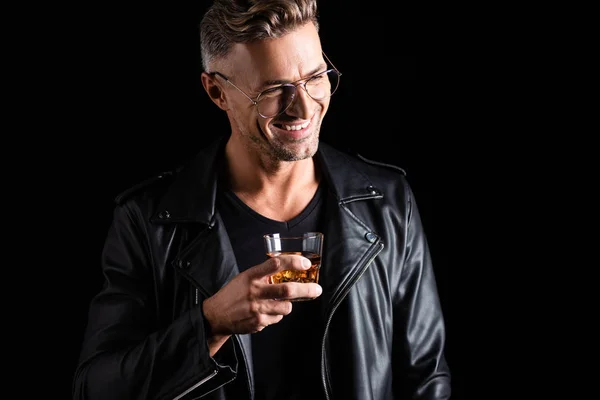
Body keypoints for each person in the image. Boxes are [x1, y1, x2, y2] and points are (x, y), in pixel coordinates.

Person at [72, 0, 451, 399]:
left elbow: (426, 378)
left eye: (315, 77)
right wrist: (211, 322)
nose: (303, 107)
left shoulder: (388, 201)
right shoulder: (149, 220)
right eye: (274, 90)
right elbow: (95, 390)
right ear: (216, 91)